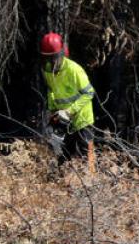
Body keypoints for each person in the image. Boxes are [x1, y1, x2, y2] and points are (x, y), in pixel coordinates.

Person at [39, 32, 96, 171]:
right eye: (48, 58)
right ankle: (61, 184)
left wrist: (70, 111)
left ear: (61, 54)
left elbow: (89, 93)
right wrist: (53, 112)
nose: (52, 62)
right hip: (63, 120)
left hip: (82, 119)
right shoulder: (46, 70)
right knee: (62, 157)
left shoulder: (74, 69)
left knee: (86, 159)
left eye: (54, 57)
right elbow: (51, 91)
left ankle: (91, 185)